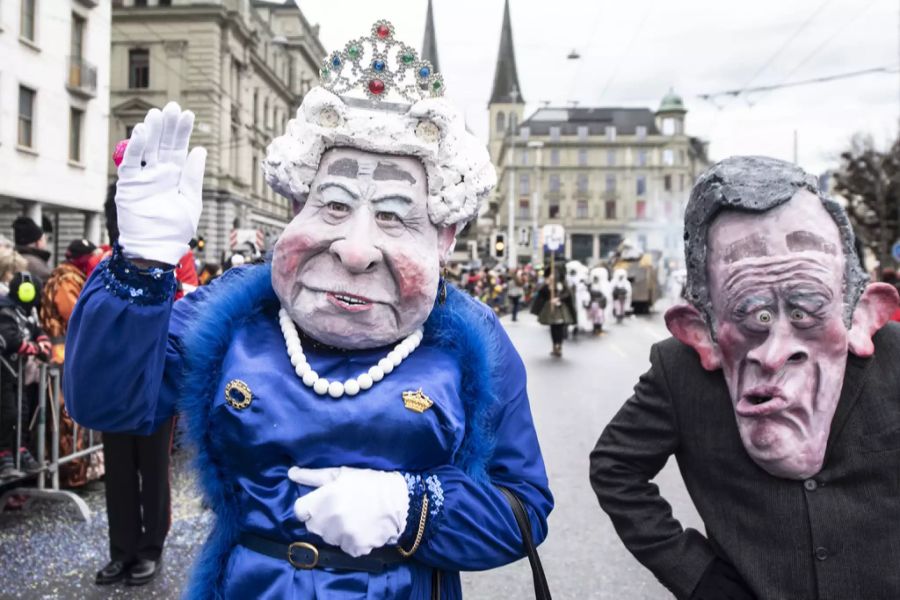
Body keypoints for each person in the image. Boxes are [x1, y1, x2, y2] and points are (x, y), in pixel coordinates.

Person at [66, 19, 552, 599]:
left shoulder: (473, 339)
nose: (354, 249)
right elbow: (105, 402)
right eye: (334, 204)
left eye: (395, 215)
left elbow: (521, 509)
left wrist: (411, 509)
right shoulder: (233, 312)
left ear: (444, 236)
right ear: (296, 205)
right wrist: (140, 269)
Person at [589, 156, 900, 600]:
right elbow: (615, 466)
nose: (775, 353)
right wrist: (695, 574)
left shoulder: (896, 357)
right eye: (753, 315)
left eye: (805, 309)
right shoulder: (680, 372)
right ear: (703, 333)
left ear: (864, 315)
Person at [38, 239, 104, 488]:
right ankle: (71, 473)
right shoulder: (67, 279)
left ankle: (79, 471)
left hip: (73, 355)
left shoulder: (74, 277)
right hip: (63, 356)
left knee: (74, 417)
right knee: (66, 418)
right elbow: (78, 315)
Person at [0, 271, 51, 480]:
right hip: (4, 374)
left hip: (17, 375)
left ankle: (20, 450)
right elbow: (8, 340)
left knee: (22, 412)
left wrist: (43, 344)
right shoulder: (6, 311)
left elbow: (38, 331)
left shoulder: (24, 312)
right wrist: (35, 349)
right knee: (7, 414)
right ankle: (4, 457)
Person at [532, 264, 575, 357]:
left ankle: (559, 345)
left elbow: (567, 294)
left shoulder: (562, 284)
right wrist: (547, 285)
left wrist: (559, 298)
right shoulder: (547, 285)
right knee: (553, 328)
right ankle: (555, 345)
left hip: (560, 309)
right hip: (550, 309)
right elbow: (541, 293)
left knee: (559, 327)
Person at [12, 216, 51, 287]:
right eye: (44, 238)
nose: (46, 242)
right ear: (38, 242)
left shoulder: (13, 258)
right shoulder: (37, 266)